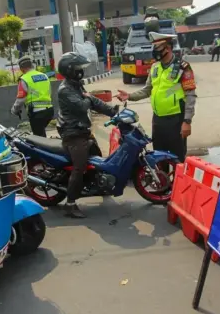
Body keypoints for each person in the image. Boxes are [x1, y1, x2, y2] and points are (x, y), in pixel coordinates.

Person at [116, 30, 197, 162]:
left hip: (176, 120)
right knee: (159, 158)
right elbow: (147, 90)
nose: (155, 50)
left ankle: (177, 182)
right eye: (154, 47)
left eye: (158, 47)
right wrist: (129, 96)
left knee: (178, 159)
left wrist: (187, 121)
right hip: (158, 120)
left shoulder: (183, 68)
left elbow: (190, 96)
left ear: (168, 47)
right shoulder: (155, 67)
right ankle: (164, 182)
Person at [57, 52, 119, 218]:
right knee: (80, 167)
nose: (81, 71)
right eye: (78, 68)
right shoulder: (65, 90)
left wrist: (113, 112)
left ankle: (99, 185)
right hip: (72, 134)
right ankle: (70, 204)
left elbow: (93, 102)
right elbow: (83, 106)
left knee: (98, 158)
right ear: (69, 69)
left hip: (82, 131)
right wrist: (89, 99)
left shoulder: (76, 85)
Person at [11, 55, 54, 137]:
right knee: (41, 134)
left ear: (21, 68)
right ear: (32, 65)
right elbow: (49, 91)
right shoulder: (44, 76)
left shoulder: (24, 79)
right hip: (49, 111)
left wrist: (14, 110)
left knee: (39, 139)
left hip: (36, 113)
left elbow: (20, 99)